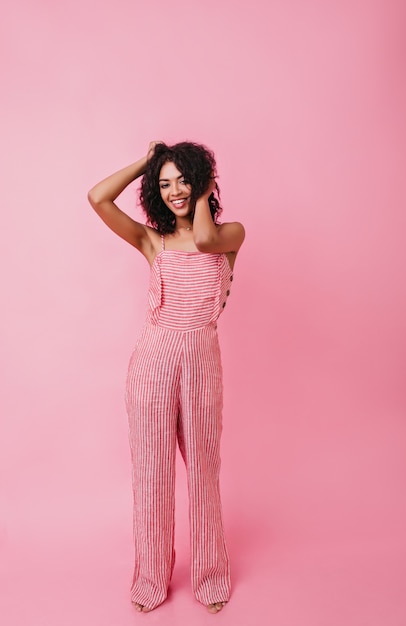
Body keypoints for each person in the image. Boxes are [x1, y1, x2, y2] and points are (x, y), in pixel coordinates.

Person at [88, 141, 245, 614]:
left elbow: (203, 241)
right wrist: (149, 160)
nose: (174, 190)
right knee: (152, 475)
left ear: (201, 181)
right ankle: (151, 579)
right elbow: (98, 198)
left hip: (201, 358)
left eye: (183, 179)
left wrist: (202, 191)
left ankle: (211, 576)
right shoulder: (151, 240)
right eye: (165, 183)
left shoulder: (229, 234)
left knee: (204, 471)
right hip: (153, 360)